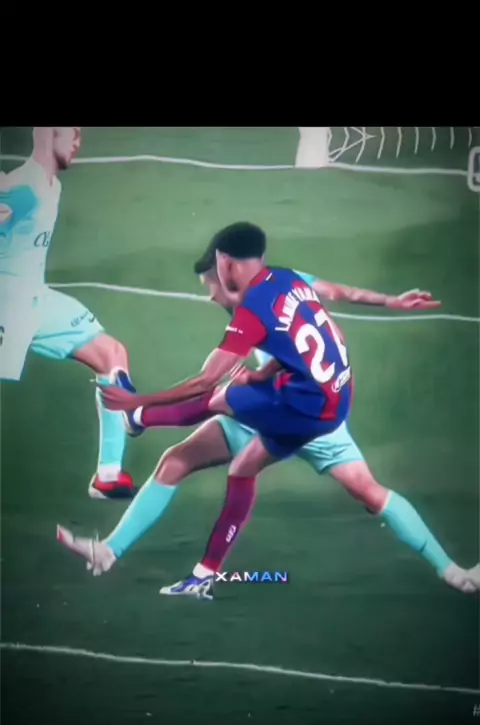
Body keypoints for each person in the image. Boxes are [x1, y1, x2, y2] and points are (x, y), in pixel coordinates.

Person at [57, 223, 480, 596]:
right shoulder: (289, 279)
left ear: (227, 268)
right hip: (309, 405)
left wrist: (139, 402)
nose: (210, 296)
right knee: (193, 462)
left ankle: (136, 419)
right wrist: (391, 301)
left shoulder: (252, 312)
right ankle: (119, 552)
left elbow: (207, 381)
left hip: (298, 413)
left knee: (221, 397)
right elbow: (336, 295)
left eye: (210, 285)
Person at [0, 127, 137, 499]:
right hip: (8, 306)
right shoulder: (25, 188)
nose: (78, 143)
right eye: (70, 135)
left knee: (112, 355)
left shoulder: (50, 186)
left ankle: (108, 476)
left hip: (37, 299)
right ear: (48, 134)